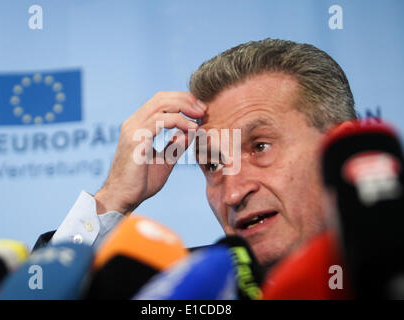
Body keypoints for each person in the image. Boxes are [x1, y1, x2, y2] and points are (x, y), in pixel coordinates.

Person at [34, 38, 356, 270]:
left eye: (260, 147)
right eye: (213, 164)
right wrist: (113, 198)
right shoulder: (178, 288)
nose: (232, 193)